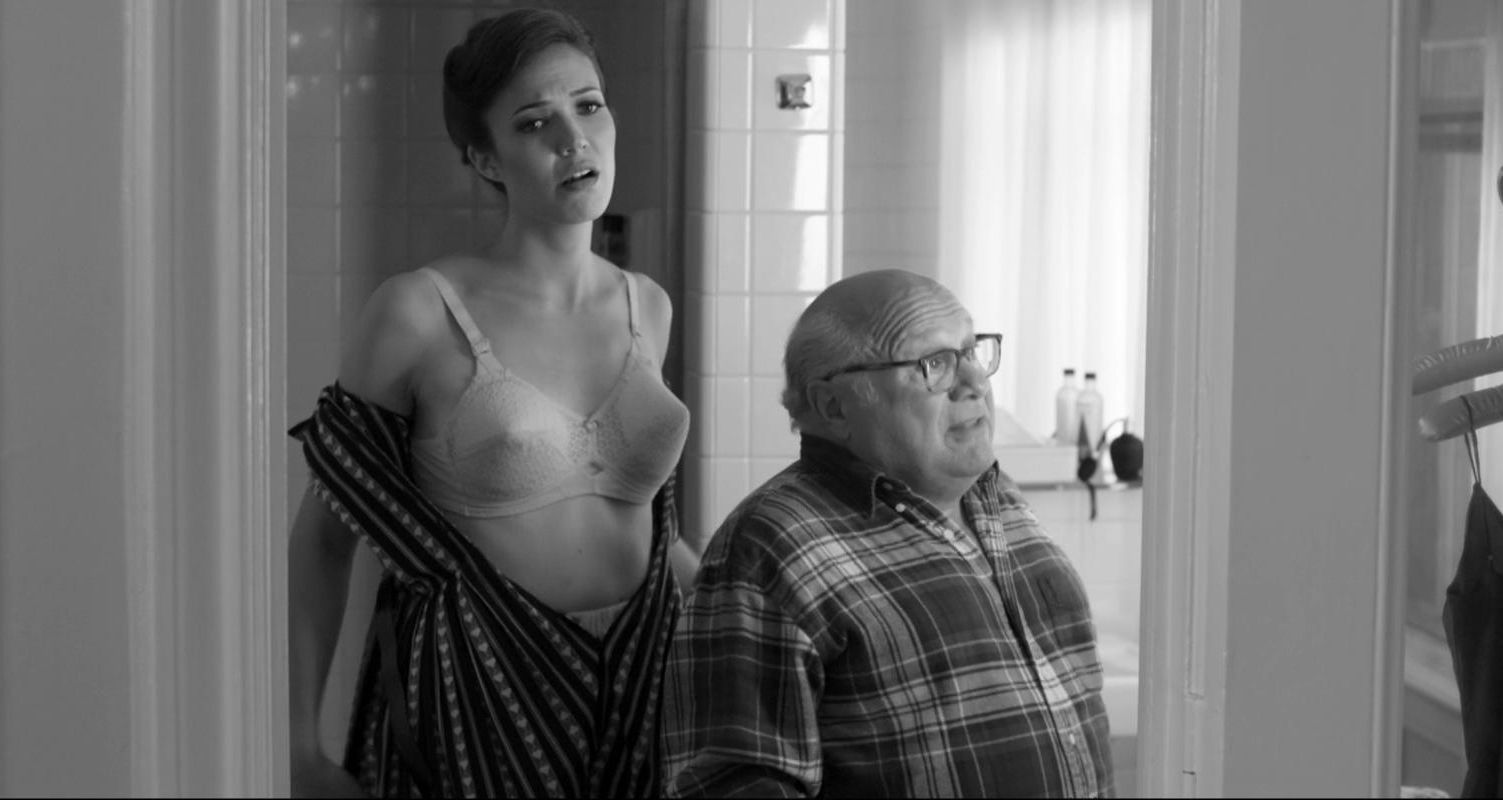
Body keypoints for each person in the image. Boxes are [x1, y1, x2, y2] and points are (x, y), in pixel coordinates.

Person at [285, 9, 693, 797]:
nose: (574, 140)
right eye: (534, 123)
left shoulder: (648, 305)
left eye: (589, 105)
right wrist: (301, 748)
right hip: (478, 691)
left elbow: (640, 517)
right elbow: (324, 542)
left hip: (647, 681)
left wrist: (744, 606)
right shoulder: (418, 312)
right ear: (484, 157)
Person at [662, 269, 1116, 797]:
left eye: (972, 352)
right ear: (834, 406)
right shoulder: (769, 546)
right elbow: (731, 785)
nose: (974, 381)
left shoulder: (1003, 501)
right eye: (935, 365)